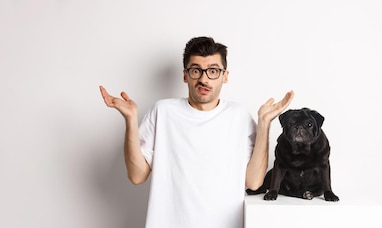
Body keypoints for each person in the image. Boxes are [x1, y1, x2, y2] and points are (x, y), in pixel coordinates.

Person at [99, 36, 294, 228]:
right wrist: (130, 120)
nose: (203, 79)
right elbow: (137, 176)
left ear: (225, 76)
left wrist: (264, 123)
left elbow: (253, 181)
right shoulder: (163, 111)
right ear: (185, 75)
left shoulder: (239, 116)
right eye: (196, 70)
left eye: (213, 71)